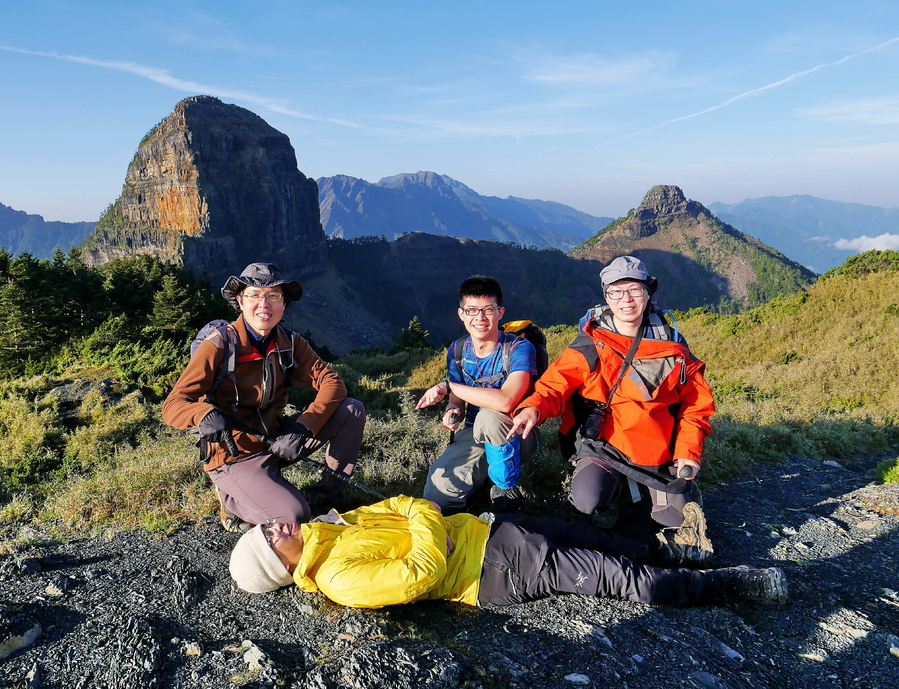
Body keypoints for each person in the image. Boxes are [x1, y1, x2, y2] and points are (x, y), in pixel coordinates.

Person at [228, 495, 788, 610]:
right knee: (609, 575)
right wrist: (429, 527)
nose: (275, 525)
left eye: (267, 526)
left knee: (603, 541)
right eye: (269, 537)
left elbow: (405, 503)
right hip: (494, 569)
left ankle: (683, 558)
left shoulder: (328, 527)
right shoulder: (340, 580)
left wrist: (427, 519)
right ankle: (727, 587)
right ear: (280, 565)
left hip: (490, 529)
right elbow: (421, 574)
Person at [509, 256, 716, 561]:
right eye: (616, 292)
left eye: (634, 290)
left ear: (649, 292)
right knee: (587, 502)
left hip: (659, 450)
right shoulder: (592, 341)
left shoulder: (673, 344)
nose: (626, 300)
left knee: (674, 523)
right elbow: (556, 384)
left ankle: (677, 493)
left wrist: (688, 450)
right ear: (606, 296)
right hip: (605, 444)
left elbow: (695, 404)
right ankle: (611, 493)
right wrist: (533, 409)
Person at [162, 262, 366, 531]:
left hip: (277, 439)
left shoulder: (290, 343)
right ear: (240, 301)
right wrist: (203, 414)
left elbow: (332, 383)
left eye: (273, 296)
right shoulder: (219, 345)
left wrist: (303, 426)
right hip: (234, 455)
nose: (264, 304)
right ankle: (233, 501)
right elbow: (173, 405)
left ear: (284, 304)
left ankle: (325, 499)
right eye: (254, 295)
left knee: (351, 410)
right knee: (294, 517)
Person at [416, 276, 539, 513]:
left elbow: (507, 401)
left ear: (500, 313)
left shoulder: (518, 349)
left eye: (488, 310)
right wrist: (452, 411)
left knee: (490, 417)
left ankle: (506, 490)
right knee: (437, 492)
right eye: (472, 310)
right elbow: (457, 402)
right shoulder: (457, 350)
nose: (480, 318)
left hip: (516, 432)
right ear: (461, 314)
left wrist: (448, 387)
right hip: (473, 433)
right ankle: (478, 488)